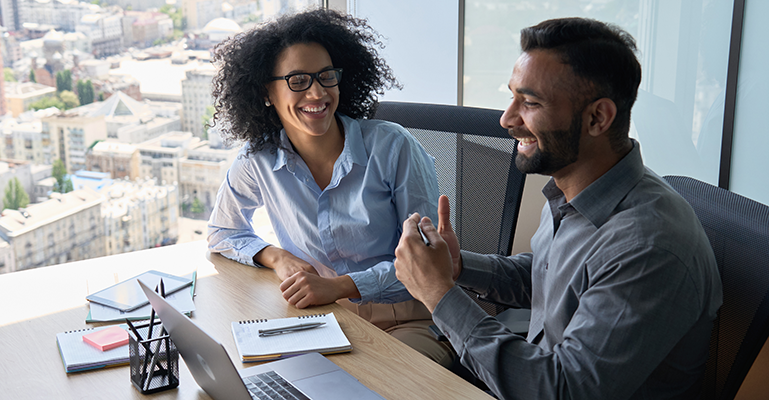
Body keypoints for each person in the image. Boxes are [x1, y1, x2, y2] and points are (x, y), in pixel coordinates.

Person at [393, 17, 722, 399]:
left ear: (598, 118)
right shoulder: (574, 192)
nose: (507, 119)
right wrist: (460, 267)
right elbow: (551, 275)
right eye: (513, 96)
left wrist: (439, 295)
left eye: (530, 103)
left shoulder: (649, 245)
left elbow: (564, 390)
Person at [207, 9, 455, 366]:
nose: (317, 92)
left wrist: (341, 286)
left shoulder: (393, 147)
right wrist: (277, 257)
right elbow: (223, 232)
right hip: (321, 319)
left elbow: (430, 265)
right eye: (298, 80)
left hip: (408, 320)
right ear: (266, 93)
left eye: (326, 76)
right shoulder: (258, 159)